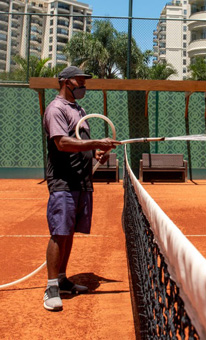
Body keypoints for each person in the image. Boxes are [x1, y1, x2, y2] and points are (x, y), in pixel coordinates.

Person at [42, 66, 120, 312]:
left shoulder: (79, 110)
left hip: (82, 182)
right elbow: (62, 143)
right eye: (81, 80)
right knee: (59, 232)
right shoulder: (56, 109)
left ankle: (63, 280)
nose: (84, 84)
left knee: (70, 232)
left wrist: (95, 153)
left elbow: (79, 143)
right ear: (66, 82)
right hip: (64, 181)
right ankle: (51, 287)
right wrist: (97, 141)